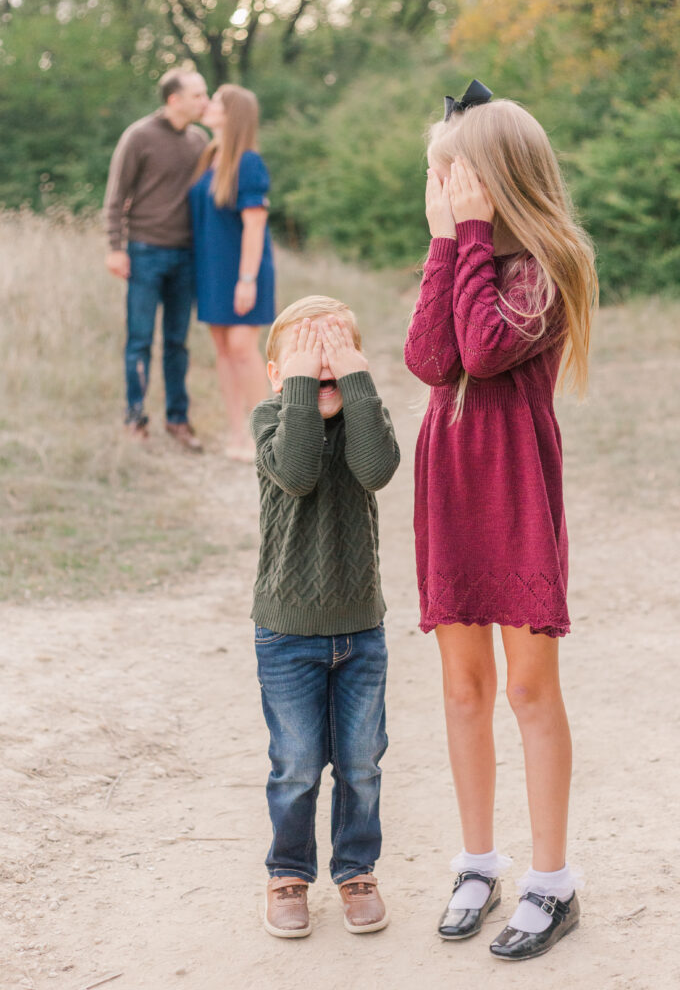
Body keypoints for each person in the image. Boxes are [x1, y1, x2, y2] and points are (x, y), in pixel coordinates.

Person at [404, 81, 598, 961]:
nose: (441, 190)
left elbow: (482, 349)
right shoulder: (455, 253)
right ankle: (477, 862)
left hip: (511, 483)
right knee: (461, 688)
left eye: (453, 174)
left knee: (526, 688)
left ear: (497, 176)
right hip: (450, 480)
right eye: (438, 175)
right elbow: (430, 358)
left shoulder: (546, 260)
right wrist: (448, 245)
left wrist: (469, 238)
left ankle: (551, 884)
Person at [250, 296, 400, 938]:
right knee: (298, 762)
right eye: (303, 364)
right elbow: (300, 471)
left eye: (335, 360)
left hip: (360, 627)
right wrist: (306, 384)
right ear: (276, 378)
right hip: (286, 633)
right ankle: (288, 874)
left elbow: (376, 468)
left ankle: (356, 870)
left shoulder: (366, 415)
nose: (322, 371)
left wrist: (353, 375)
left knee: (362, 761)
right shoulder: (270, 421)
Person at [104, 67, 209, 449]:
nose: (204, 101)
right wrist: (115, 247)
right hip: (144, 252)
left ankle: (178, 421)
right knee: (139, 340)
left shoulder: (199, 140)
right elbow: (116, 196)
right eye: (198, 95)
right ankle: (135, 418)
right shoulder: (139, 136)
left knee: (177, 342)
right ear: (174, 99)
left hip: (187, 256)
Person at [189, 85, 275, 462]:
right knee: (223, 353)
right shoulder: (209, 155)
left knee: (242, 349)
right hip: (210, 268)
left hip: (243, 270)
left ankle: (271, 437)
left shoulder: (248, 162)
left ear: (232, 114)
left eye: (216, 102)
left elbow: (255, 227)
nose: (207, 105)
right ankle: (236, 434)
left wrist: (247, 279)